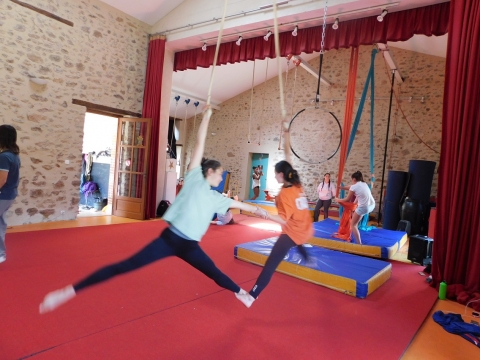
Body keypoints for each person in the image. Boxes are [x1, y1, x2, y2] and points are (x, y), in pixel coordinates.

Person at [39, 107, 268, 313]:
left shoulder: (216, 198)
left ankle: (241, 294)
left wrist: (259, 211)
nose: (220, 176)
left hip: (190, 247)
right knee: (124, 266)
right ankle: (69, 290)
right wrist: (206, 118)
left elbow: (238, 205)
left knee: (215, 273)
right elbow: (199, 144)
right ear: (209, 173)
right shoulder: (192, 180)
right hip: (168, 240)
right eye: (218, 173)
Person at [235, 122, 313, 308]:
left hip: (293, 232)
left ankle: (252, 296)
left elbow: (283, 219)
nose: (276, 176)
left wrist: (264, 214)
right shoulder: (296, 183)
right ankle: (308, 258)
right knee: (296, 241)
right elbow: (288, 157)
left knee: (271, 263)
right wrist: (286, 135)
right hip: (305, 229)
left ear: (280, 175)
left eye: (276, 174)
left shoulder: (286, 193)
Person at [0, 125, 21, 264]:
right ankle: (1, 253)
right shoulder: (14, 156)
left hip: (3, 195)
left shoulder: (4, 156)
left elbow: (2, 179)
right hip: (9, 194)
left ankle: (1, 253)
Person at [337, 171, 375, 244]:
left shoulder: (354, 186)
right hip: (372, 206)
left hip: (364, 208)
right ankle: (356, 238)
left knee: (353, 225)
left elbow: (347, 199)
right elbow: (350, 187)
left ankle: (359, 243)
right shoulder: (364, 184)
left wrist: (338, 200)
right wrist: (341, 187)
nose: (352, 182)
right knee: (356, 218)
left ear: (354, 179)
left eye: (352, 180)